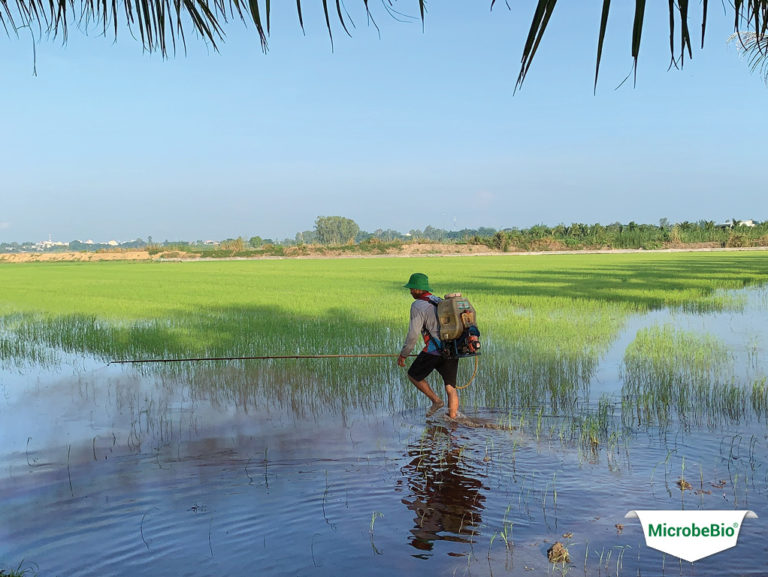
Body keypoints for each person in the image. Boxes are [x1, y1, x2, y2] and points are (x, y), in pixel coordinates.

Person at [397, 272, 460, 419]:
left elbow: (413, 335)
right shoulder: (438, 300)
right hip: (451, 349)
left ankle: (436, 401)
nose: (410, 292)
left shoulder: (417, 305)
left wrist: (403, 355)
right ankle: (453, 422)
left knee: (413, 375)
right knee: (451, 388)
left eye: (412, 289)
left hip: (434, 351)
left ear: (418, 289)